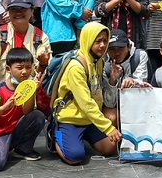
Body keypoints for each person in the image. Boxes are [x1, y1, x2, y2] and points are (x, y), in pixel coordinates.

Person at [51, 22, 122, 164]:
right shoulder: (75, 67)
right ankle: (55, 137)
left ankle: (81, 138)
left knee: (110, 147)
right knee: (75, 157)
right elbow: (86, 103)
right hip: (71, 119)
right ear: (87, 40)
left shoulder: (98, 60)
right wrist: (108, 128)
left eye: (105, 41)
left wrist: (113, 80)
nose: (102, 45)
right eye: (97, 41)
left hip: (89, 119)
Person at [0, 0, 51, 119]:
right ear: (8, 12)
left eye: (23, 9)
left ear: (32, 11)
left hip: (28, 90)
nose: (18, 12)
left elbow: (42, 75)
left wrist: (43, 64)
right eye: (14, 9)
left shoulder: (41, 37)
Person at [0, 47, 46, 171]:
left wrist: (33, 91)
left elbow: (28, 113)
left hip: (16, 128)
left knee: (37, 116)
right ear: (8, 69)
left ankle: (22, 150)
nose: (24, 72)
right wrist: (4, 108)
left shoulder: (28, 86)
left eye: (28, 67)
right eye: (20, 68)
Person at [101, 30, 150, 128]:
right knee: (111, 117)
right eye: (112, 49)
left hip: (138, 103)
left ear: (129, 47)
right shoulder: (104, 63)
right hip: (116, 106)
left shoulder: (139, 56)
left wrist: (133, 82)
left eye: (120, 48)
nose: (117, 53)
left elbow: (143, 83)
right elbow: (109, 104)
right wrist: (112, 81)